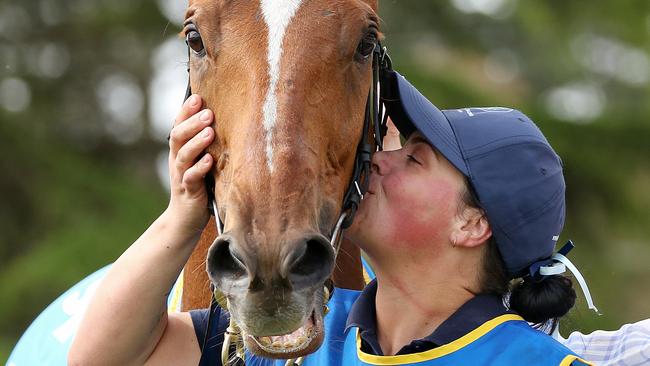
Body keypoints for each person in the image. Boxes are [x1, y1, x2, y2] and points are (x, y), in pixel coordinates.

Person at [69, 70, 593, 365]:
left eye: (412, 159)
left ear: (471, 225)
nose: (376, 159)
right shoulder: (301, 333)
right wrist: (184, 212)